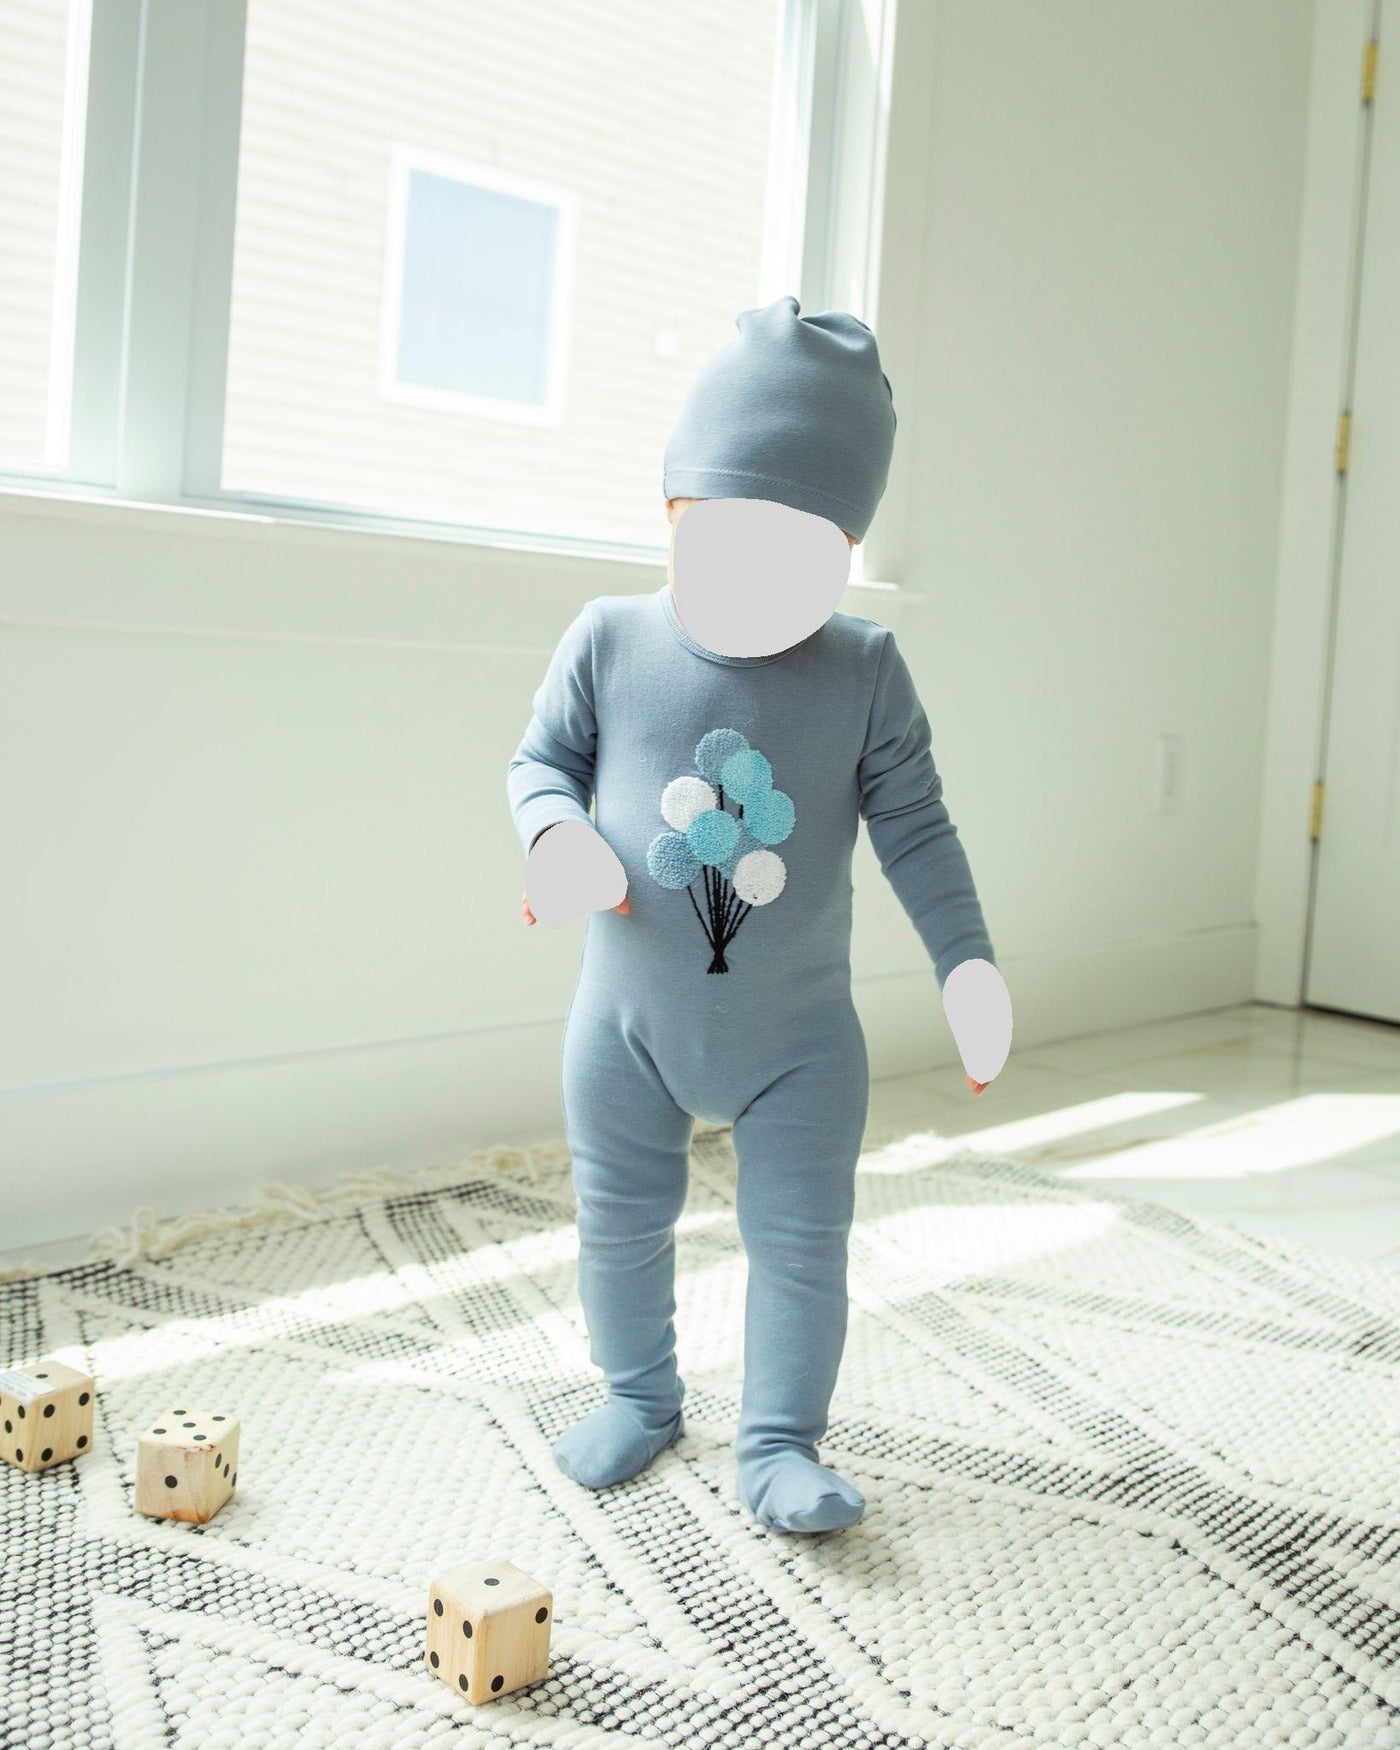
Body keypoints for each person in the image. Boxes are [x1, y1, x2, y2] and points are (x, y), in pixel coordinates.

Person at [507, 295, 1004, 1533]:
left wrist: (966, 965)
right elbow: (540, 764)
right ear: (673, 512)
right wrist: (557, 836)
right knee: (619, 1220)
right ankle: (639, 1395)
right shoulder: (607, 640)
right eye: (728, 539)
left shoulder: (862, 670)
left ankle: (780, 1440)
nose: (759, 580)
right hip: (624, 1027)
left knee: (799, 1241)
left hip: (799, 1044)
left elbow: (917, 829)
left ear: (845, 548)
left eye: (801, 554)